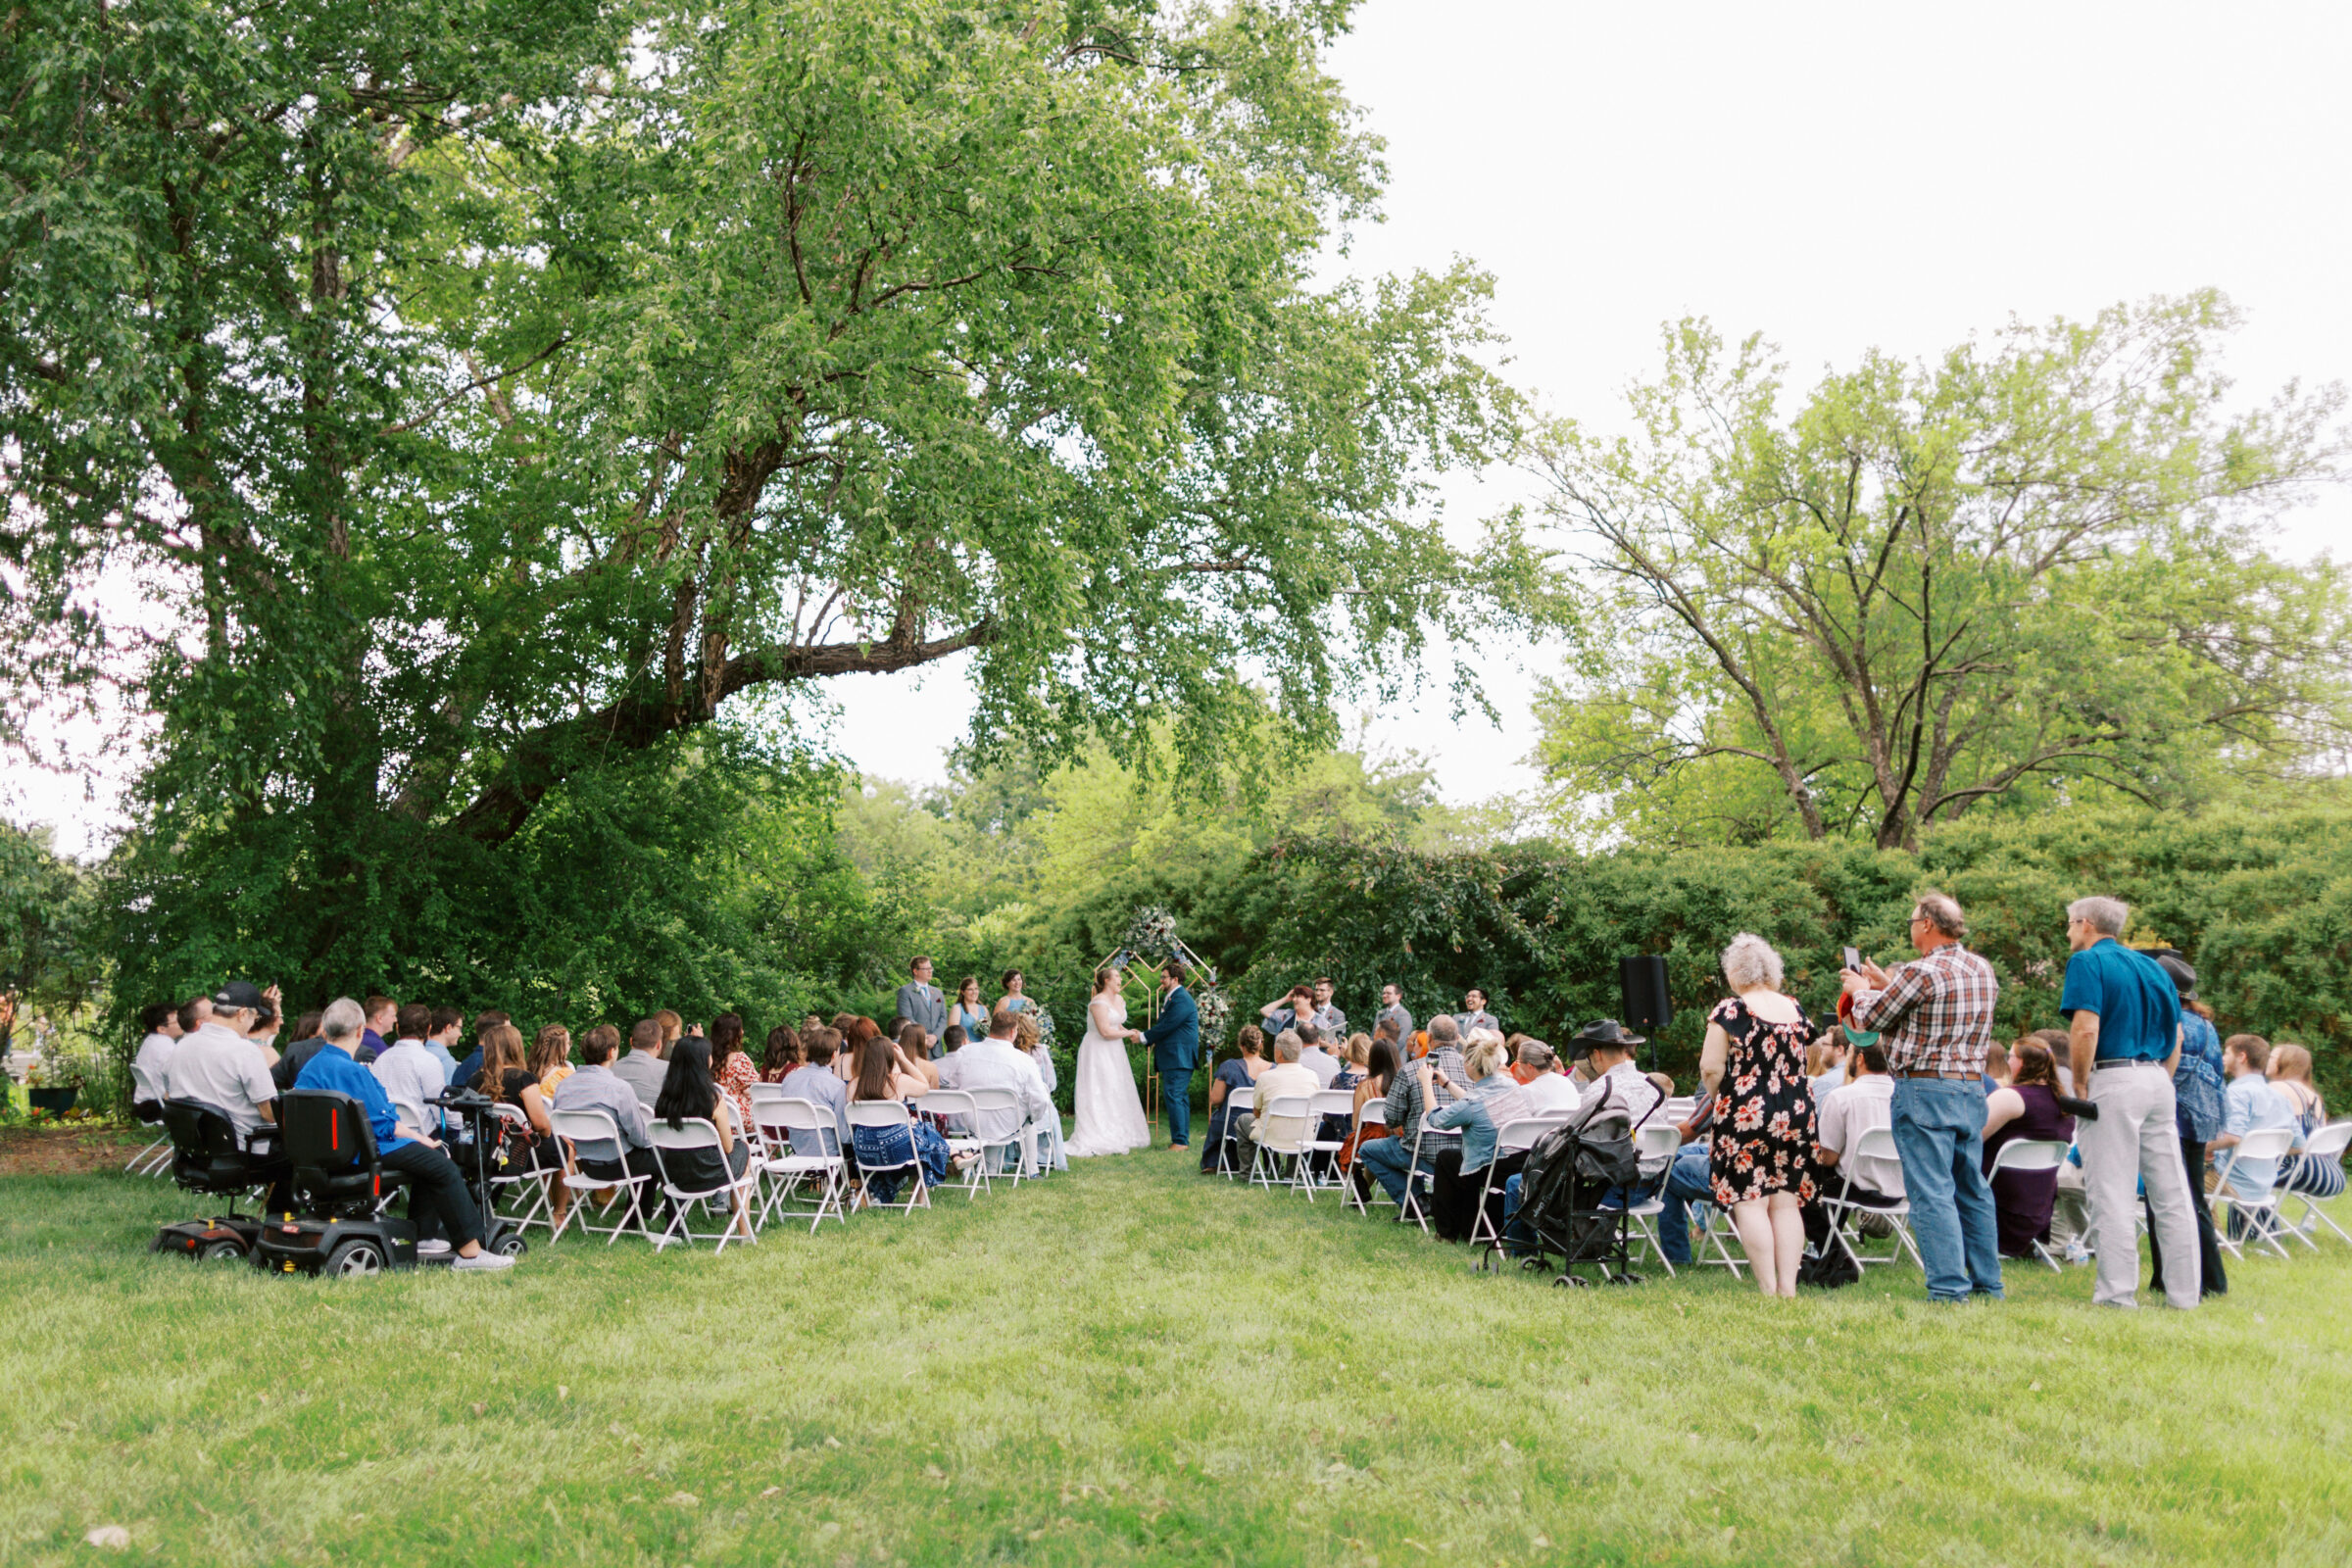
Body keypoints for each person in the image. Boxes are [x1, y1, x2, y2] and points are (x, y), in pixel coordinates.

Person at [1844, 890, 2006, 1304]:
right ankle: (1989, 1284)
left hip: (1925, 1088)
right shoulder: (1981, 968)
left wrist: (1863, 989)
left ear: (1928, 925)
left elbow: (1870, 1019)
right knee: (1971, 1188)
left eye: (1913, 921)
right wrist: (1889, 985)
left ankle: (1949, 1289)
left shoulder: (1921, 972)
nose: (1911, 928)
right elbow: (1928, 1006)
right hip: (1971, 1087)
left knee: (1931, 1191)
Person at [294, 998, 513, 1268]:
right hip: (363, 1151)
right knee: (441, 1164)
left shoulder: (310, 1069)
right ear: (361, 1031)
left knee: (427, 1158)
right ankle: (470, 1251)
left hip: (324, 1155)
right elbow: (383, 1124)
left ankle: (421, 1235)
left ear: (325, 1031)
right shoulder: (353, 1071)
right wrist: (421, 1138)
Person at [2058, 894, 2197, 1309]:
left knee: (2111, 1191)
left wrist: (2080, 1084)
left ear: (2085, 924)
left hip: (2113, 1075)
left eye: (2069, 924)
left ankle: (2117, 1296)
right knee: (2171, 1192)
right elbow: (2176, 1037)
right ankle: (2184, 1295)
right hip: (2157, 1077)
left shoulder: (2087, 962)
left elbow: (2085, 1028)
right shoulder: (2154, 969)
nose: (2067, 933)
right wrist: (2158, 1080)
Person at [1698, 935, 1817, 1297]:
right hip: (1796, 1112)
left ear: (1735, 973)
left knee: (1750, 1200)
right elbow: (1809, 1055)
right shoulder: (1795, 1009)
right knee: (1785, 1200)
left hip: (1747, 1111)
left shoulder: (1731, 1011)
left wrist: (1727, 1101)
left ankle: (1768, 1289)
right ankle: (1789, 1288)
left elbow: (1710, 1068)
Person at [2146, 955, 2227, 1298]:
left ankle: (2167, 1277)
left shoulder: (2167, 1019)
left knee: (2161, 1199)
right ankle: (2212, 1280)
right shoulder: (2206, 1026)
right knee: (2194, 1198)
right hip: (2202, 1119)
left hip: (2172, 1116)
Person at [1423, 1033, 1534, 1241]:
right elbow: (1478, 1105)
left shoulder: (1474, 1101)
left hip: (1491, 1167)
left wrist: (1426, 1084)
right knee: (1453, 1158)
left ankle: (1447, 1232)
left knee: (1446, 1158)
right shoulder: (1512, 1086)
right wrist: (1447, 1084)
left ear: (1471, 1064)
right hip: (1522, 1161)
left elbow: (1436, 1120)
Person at [1357, 1014, 1469, 1208]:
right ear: (1457, 1037)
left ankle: (1415, 1199)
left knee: (1368, 1149)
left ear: (1430, 1038)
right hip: (1465, 1154)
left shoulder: (1411, 1070)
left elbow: (1391, 1118)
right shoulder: (1473, 1069)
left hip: (1423, 1154)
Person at [1980, 1039, 2076, 1260]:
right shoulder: (2063, 1103)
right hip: (2037, 1207)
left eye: (2009, 1057)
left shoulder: (2012, 1097)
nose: (2007, 1062)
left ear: (2022, 1063)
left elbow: (1972, 1137)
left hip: (1994, 1203)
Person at [161, 981, 280, 1154]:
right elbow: (269, 1114)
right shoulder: (245, 1051)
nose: (252, 1024)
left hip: (195, 1151)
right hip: (244, 1150)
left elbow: (168, 1096)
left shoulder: (181, 1046)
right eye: (255, 1018)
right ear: (242, 1014)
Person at [552, 1024, 662, 1212]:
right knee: (661, 1155)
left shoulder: (564, 1086)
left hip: (586, 1164)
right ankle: (639, 1216)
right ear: (611, 1052)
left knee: (647, 1155)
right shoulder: (619, 1088)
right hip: (620, 1164)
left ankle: (638, 1215)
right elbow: (640, 1137)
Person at [652, 1037, 755, 1235]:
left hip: (677, 1175)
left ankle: (675, 1226)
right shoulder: (713, 1099)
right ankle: (744, 1232)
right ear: (703, 1061)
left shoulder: (664, 1101)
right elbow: (728, 1148)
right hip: (711, 1173)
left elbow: (664, 1147)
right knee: (743, 1148)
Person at [937, 1005, 1056, 1173]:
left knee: (992, 1115)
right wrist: (1033, 1116)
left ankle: (990, 1169)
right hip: (1010, 1124)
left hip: (972, 1122)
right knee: (1028, 1117)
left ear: (990, 1029)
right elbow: (1040, 1100)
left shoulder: (964, 1053)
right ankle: (1032, 1170)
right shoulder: (1024, 1060)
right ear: (1014, 1031)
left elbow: (955, 1087)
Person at [847, 1033, 956, 1205]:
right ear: (891, 1058)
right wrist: (904, 1060)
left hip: (865, 1151)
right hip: (895, 1149)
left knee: (919, 1132)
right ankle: (920, 1197)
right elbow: (924, 1087)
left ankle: (876, 1194)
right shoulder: (899, 1081)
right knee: (929, 1136)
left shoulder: (853, 1085)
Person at [2208, 1034, 2296, 1236]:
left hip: (2232, 1182)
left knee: (2190, 1177)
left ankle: (2214, 1239)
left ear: (2242, 1057)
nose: (2222, 1057)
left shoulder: (2237, 1092)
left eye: (2226, 1052)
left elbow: (2233, 1137)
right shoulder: (2280, 1098)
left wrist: (2203, 1147)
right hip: (2264, 1183)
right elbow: (2299, 1145)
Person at [1059, 969, 1148, 1155]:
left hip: (1115, 1050)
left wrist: (1128, 1030)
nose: (1120, 979)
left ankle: (1119, 1130)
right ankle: (1098, 1131)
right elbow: (1105, 1032)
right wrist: (1130, 1033)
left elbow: (1117, 1025)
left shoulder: (1120, 999)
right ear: (1106, 980)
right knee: (1100, 1088)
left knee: (1116, 1088)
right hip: (1098, 1049)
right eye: (1117, 976)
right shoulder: (1098, 1002)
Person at [1141, 959, 1202, 1152]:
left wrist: (1144, 1037)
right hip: (1175, 1056)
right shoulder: (1173, 998)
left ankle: (1180, 1141)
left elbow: (1168, 1026)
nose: (1161, 980)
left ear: (1175, 979)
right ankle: (1181, 1139)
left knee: (1175, 1096)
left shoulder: (1181, 998)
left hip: (1179, 1057)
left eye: (1164, 977)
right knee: (1178, 1097)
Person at [1229, 1030, 1319, 1158]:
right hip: (1304, 1137)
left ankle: (1247, 1172)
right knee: (1299, 1124)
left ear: (1279, 1052)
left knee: (1243, 1119)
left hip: (1271, 1136)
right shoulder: (1312, 1076)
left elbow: (1257, 1112)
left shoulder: (1265, 1077)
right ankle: (1291, 1174)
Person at [1200, 1026, 1271, 1173]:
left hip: (1231, 1124)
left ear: (1241, 1045)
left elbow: (1216, 1099)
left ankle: (1215, 1162)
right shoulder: (1274, 1069)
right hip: (1263, 1123)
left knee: (1218, 1118)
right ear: (1261, 1044)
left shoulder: (1229, 1067)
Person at [373, 1003, 450, 1137]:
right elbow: (440, 1109)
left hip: (386, 1133)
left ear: (397, 1028)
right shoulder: (429, 1061)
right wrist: (459, 1123)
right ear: (428, 1029)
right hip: (421, 1136)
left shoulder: (380, 1060)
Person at [778, 1030, 854, 1159]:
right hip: (828, 1152)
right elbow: (844, 1136)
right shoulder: (837, 1085)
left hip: (797, 1148)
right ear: (834, 1054)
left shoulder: (789, 1079)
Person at [1007, 1011, 1065, 1172]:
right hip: (1037, 1109)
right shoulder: (1040, 1051)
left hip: (1010, 1108)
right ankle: (1044, 1158)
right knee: (1046, 1104)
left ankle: (1017, 1155)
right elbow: (1051, 1083)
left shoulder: (1008, 1053)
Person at [1339, 1034, 1399, 1176]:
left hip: (1372, 1137)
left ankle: (1360, 1186)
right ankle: (1362, 1189)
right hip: (1399, 1136)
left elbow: (1356, 1124)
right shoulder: (1405, 1083)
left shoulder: (1366, 1086)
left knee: (1351, 1147)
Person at [132, 1003, 183, 1113]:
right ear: (162, 1029)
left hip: (144, 1101)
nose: (181, 1023)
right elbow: (178, 1079)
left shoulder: (150, 1041)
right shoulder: (166, 1047)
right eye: (176, 1021)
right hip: (156, 1104)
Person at [611, 1017, 670, 1107]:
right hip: (654, 1120)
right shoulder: (669, 1069)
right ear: (658, 1045)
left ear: (631, 1041)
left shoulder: (610, 1069)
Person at [896, 956, 948, 1054]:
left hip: (936, 1049)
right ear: (915, 971)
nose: (930, 971)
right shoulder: (905, 991)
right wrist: (924, 1037)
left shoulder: (937, 993)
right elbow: (906, 1018)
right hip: (916, 1048)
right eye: (926, 969)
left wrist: (935, 1036)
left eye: (931, 968)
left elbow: (943, 1018)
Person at [1515, 1041, 1579, 1115]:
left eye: (1519, 1062)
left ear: (1530, 1066)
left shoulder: (1527, 1092)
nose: (1518, 1066)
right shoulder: (1566, 1082)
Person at [943, 977, 989, 1053]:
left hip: (981, 1051)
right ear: (963, 992)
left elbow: (986, 1031)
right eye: (970, 989)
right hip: (963, 1051)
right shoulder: (957, 1009)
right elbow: (953, 1035)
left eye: (976, 989)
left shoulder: (984, 1009)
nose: (974, 992)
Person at [531, 1023, 575, 1099]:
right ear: (558, 1048)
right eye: (568, 1043)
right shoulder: (565, 1074)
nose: (569, 1047)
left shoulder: (528, 1071)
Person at [422, 1006, 465, 1086]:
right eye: (459, 1028)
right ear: (448, 1028)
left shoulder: (418, 1051)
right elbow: (445, 1096)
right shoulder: (446, 1061)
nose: (460, 1034)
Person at [1296, 1023, 1343, 1090]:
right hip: (1328, 1099)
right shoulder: (1333, 1062)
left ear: (1297, 1039)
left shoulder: (1294, 1062)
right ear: (1319, 1039)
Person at [1808, 1031, 1850, 1101]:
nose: (1821, 1048)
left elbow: (1820, 1111)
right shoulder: (1858, 1076)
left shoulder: (1824, 1082)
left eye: (1825, 1044)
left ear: (1839, 1050)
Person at [359, 995, 397, 1064]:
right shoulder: (377, 1046)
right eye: (393, 1016)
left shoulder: (356, 1038)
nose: (395, 1020)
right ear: (379, 1018)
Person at [1375, 984, 1412, 1049]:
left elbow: (1401, 1040)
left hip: (1395, 1056)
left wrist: (1387, 1054)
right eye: (1384, 993)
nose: (1384, 995)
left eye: (1389, 993)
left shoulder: (1403, 1014)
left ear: (1398, 996)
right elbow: (1374, 1036)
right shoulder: (1380, 1014)